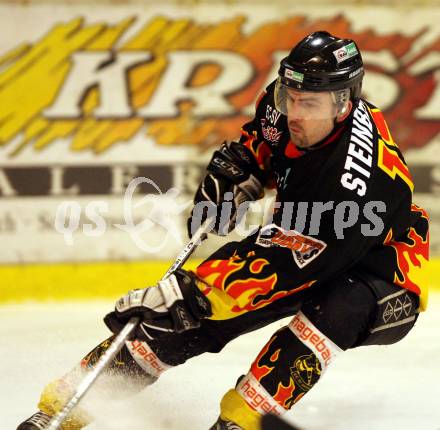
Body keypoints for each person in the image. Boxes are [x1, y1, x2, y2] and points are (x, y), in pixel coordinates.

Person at [18, 31, 429, 430]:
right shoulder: (283, 102)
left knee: (334, 307)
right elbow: (264, 146)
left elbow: (286, 265)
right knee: (179, 322)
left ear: (344, 103)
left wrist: (193, 294)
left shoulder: (354, 184)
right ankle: (63, 407)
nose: (294, 113)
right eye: (291, 99)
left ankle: (241, 421)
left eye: (309, 104)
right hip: (300, 238)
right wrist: (242, 173)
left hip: (383, 271)